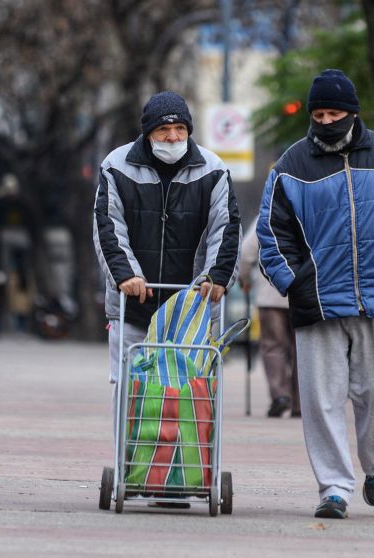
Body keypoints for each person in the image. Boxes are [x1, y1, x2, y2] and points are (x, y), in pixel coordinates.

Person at [257, 69, 374, 519]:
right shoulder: (290, 166)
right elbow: (271, 234)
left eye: (334, 112)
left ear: (353, 113)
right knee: (321, 401)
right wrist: (294, 283)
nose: (326, 120)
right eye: (318, 113)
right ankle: (334, 488)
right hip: (317, 302)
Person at [92, 91, 241, 468]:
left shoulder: (213, 169)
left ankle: (186, 469)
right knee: (131, 389)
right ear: (148, 134)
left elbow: (226, 226)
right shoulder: (117, 166)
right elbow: (108, 226)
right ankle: (133, 466)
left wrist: (216, 276)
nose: (173, 137)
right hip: (135, 305)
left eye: (179, 129)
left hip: (189, 308)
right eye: (163, 130)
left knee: (191, 391)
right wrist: (127, 276)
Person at [240, 215, 300, 418]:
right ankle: (301, 403)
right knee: (303, 349)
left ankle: (280, 395)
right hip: (303, 294)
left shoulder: (266, 214)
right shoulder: (308, 205)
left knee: (274, 346)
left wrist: (245, 278)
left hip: (270, 295)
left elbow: (246, 253)